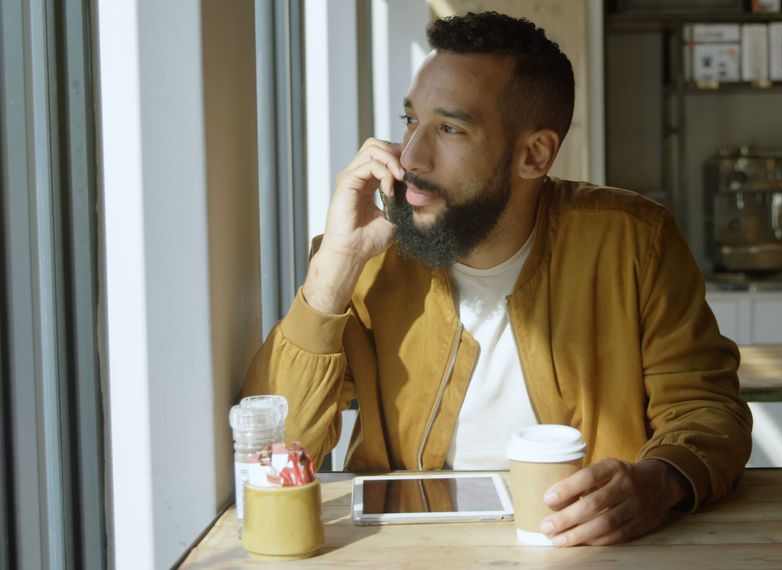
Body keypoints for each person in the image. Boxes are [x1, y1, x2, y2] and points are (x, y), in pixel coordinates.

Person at [242, 11, 751, 546]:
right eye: (411, 121)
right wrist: (334, 267)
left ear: (534, 154)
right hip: (406, 553)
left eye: (450, 128)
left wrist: (657, 482)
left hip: (589, 549)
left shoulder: (633, 242)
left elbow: (707, 410)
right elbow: (272, 450)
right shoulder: (369, 261)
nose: (409, 156)